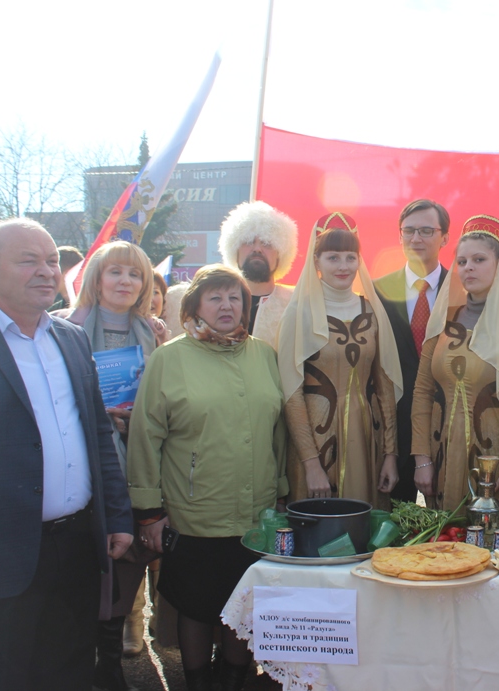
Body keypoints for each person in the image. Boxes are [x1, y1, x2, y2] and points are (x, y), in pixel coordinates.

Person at [0, 218, 133, 691]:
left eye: (51, 261)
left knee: (69, 675)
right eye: (28, 260)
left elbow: (97, 435)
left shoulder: (71, 338)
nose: (46, 271)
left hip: (77, 550)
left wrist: (116, 517)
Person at [127, 264, 288, 691]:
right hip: (194, 510)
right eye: (215, 297)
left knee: (244, 603)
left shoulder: (264, 355)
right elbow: (146, 436)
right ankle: (197, 682)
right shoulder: (169, 358)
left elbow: (279, 433)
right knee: (197, 606)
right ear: (195, 304)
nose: (226, 305)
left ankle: (233, 679)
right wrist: (148, 511)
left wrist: (283, 495)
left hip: (256, 512)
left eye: (235, 297)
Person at [55, 240, 160, 691]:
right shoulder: (63, 328)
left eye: (135, 275)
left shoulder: (154, 332)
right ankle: (88, 664)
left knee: (131, 558)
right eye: (115, 272)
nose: (125, 282)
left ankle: (112, 665)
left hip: (140, 459)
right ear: (95, 278)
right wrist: (100, 415)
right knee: (89, 568)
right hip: (87, 465)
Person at [412, 215, 499, 511]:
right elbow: (423, 391)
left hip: (496, 464)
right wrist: (422, 458)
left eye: (479, 259)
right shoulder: (444, 320)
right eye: (461, 262)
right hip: (442, 458)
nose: (468, 268)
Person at [277, 212, 402, 505]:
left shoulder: (371, 310)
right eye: (333, 257)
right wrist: (310, 463)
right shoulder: (299, 313)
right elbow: (291, 395)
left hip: (367, 440)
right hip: (317, 442)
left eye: (350, 256)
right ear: (316, 261)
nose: (343, 266)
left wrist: (390, 455)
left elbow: (384, 387)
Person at [374, 199, 451, 503]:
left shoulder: (460, 289)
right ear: (400, 236)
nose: (416, 238)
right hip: (395, 431)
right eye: (409, 231)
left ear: (444, 237)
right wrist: (388, 449)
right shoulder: (377, 291)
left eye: (426, 230)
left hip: (449, 426)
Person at [218, 200, 298, 342]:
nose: (257, 249)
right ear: (234, 250)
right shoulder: (213, 302)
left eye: (266, 243)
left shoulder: (296, 304)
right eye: (248, 242)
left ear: (281, 255)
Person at [51, 245, 84, 311]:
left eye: (53, 271)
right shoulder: (52, 312)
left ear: (68, 274)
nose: (48, 275)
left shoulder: (94, 309)